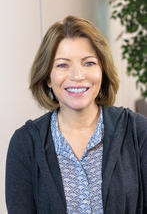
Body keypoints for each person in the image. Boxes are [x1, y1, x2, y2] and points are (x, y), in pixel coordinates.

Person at [6, 15, 147, 214]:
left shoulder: (138, 131)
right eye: (63, 65)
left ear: (102, 71)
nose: (77, 76)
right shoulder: (25, 144)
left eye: (88, 63)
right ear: (47, 77)